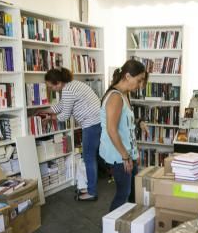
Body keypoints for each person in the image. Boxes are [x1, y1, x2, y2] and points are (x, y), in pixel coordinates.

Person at [42, 67, 102, 201]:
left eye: (51, 87)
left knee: (89, 158)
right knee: (90, 157)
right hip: (96, 122)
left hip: (91, 124)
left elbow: (64, 115)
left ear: (57, 82)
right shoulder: (72, 85)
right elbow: (61, 105)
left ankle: (92, 192)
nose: (51, 90)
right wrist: (42, 110)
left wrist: (50, 118)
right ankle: (90, 187)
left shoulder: (68, 90)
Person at [100, 60, 149, 211]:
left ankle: (128, 227)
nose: (140, 85)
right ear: (127, 76)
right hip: (119, 155)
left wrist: (139, 123)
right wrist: (125, 156)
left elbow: (126, 124)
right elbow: (112, 130)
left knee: (132, 192)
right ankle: (108, 232)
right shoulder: (115, 97)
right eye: (139, 80)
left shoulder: (125, 94)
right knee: (123, 194)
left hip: (127, 152)